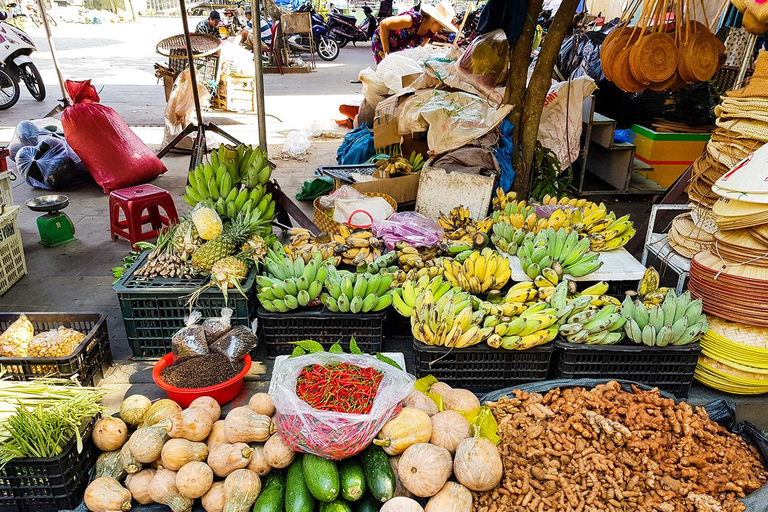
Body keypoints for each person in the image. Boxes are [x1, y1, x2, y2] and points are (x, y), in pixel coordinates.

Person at [371, 1, 457, 63]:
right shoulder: (413, 19)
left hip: (399, 46)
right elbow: (384, 24)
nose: (441, 29)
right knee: (385, 68)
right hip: (382, 40)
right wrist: (386, 53)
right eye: (441, 25)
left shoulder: (430, 33)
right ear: (434, 19)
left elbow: (419, 49)